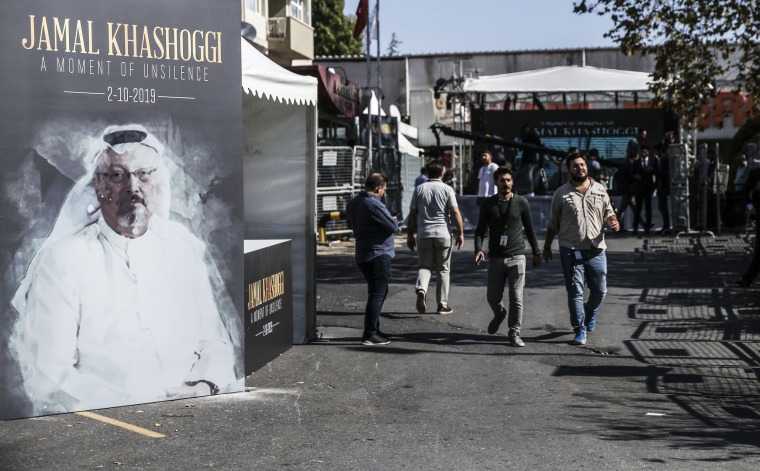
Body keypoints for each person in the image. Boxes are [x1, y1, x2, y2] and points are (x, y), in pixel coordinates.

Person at [10, 124, 238, 415]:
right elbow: (51, 376)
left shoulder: (184, 247)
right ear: (98, 184)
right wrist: (136, 407)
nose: (133, 186)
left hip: (197, 411)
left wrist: (206, 385)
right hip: (112, 425)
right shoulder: (63, 261)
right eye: (117, 175)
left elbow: (214, 340)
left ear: (159, 180)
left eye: (144, 173)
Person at [543, 152, 620, 346]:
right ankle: (579, 329)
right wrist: (546, 248)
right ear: (569, 169)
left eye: (582, 165)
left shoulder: (600, 189)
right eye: (576, 166)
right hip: (571, 249)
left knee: (600, 290)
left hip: (596, 248)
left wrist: (613, 221)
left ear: (587, 166)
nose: (580, 168)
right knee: (575, 291)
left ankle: (590, 312)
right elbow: (553, 224)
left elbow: (609, 212)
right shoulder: (561, 193)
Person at [474, 167, 541, 347]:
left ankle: (514, 333)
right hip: (495, 257)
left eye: (509, 180)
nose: (506, 184)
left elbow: (530, 228)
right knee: (492, 298)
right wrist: (478, 249)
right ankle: (499, 313)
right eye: (502, 180)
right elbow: (480, 230)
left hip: (517, 256)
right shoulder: (488, 204)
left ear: (513, 182)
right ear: (496, 183)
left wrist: (536, 252)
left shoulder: (521, 202)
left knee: (516, 298)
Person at [346, 173, 399, 345]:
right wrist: (393, 219)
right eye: (384, 189)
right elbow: (392, 226)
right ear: (378, 188)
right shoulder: (374, 204)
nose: (384, 192)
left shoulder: (354, 202)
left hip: (363, 252)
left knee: (378, 292)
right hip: (378, 253)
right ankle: (369, 333)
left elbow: (350, 224)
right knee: (377, 294)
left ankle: (374, 329)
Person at [407, 162, 464, 315]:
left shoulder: (419, 189)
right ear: (442, 174)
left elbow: (412, 214)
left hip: (424, 234)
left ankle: (421, 289)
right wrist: (461, 233)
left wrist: (409, 235)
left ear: (426, 173)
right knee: (443, 270)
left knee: (424, 267)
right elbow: (455, 212)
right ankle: (442, 305)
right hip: (443, 234)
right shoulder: (447, 189)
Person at [739, 166, 760, 288]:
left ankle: (748, 278)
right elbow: (745, 192)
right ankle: (747, 278)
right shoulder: (755, 173)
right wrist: (751, 208)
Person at [632, 147, 656, 234]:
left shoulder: (652, 161)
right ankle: (635, 227)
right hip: (639, 188)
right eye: (642, 152)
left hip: (648, 187)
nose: (643, 153)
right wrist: (635, 176)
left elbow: (656, 171)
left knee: (648, 208)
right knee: (638, 208)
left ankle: (647, 226)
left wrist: (651, 170)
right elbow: (632, 173)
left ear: (648, 152)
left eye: (645, 151)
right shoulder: (636, 162)